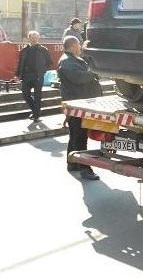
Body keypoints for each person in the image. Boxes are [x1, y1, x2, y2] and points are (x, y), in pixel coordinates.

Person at [58, 36, 102, 180]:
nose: (80, 46)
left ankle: (72, 163)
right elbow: (79, 78)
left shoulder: (74, 59)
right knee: (80, 137)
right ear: (73, 45)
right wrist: (94, 72)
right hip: (77, 104)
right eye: (79, 44)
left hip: (80, 103)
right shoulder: (67, 62)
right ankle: (85, 168)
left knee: (75, 136)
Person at [16, 31, 52, 121]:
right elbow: (20, 63)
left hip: (38, 76)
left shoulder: (43, 49)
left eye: (36, 37)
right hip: (26, 75)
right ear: (29, 38)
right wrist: (17, 74)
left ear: (38, 38)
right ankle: (36, 112)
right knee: (25, 94)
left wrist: (42, 70)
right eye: (32, 37)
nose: (34, 39)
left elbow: (49, 62)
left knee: (37, 96)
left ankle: (36, 116)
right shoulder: (24, 50)